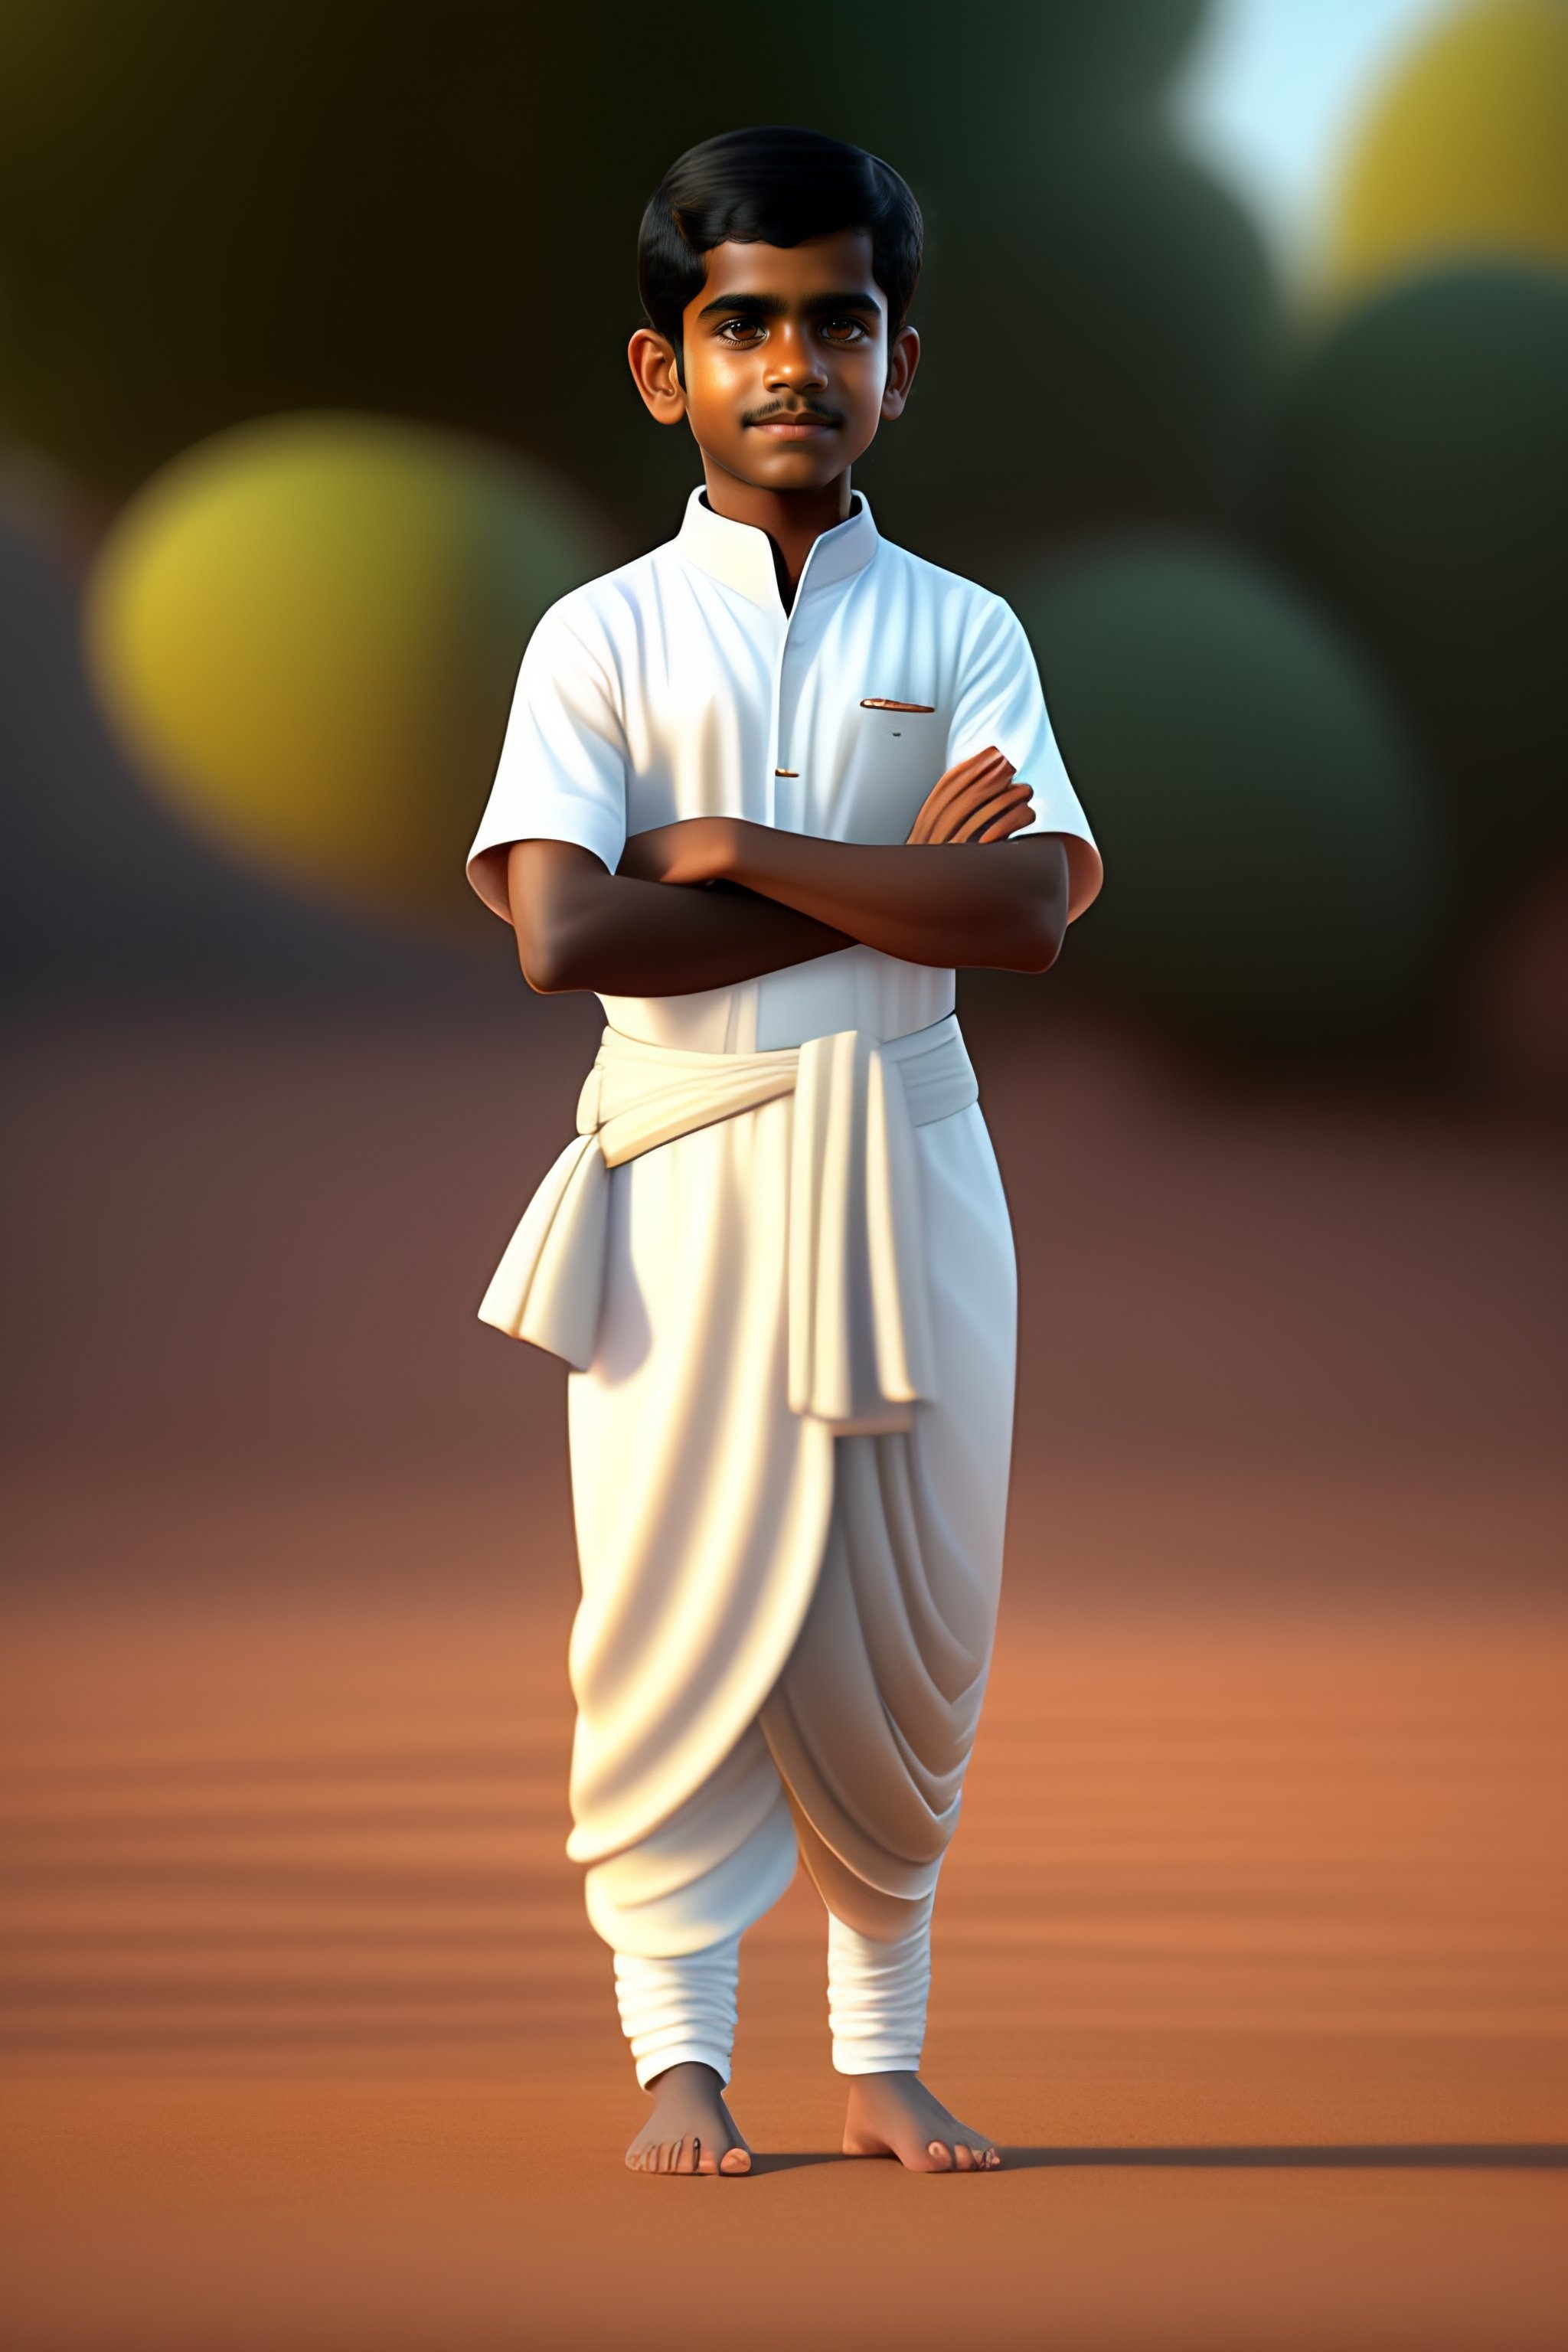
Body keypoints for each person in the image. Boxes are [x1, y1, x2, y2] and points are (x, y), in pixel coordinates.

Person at [464, 124, 1103, 2176]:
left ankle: (883, 2046)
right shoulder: (601, 638)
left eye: (839, 321)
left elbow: (1030, 913)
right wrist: (879, 889)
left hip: (913, 1171)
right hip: (689, 1185)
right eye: (744, 321)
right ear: (668, 368)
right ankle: (677, 2056)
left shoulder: (972, 626)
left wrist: (729, 849)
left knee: (913, 1617)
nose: (792, 365)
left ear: (901, 362)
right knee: (661, 1611)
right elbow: (568, 932)